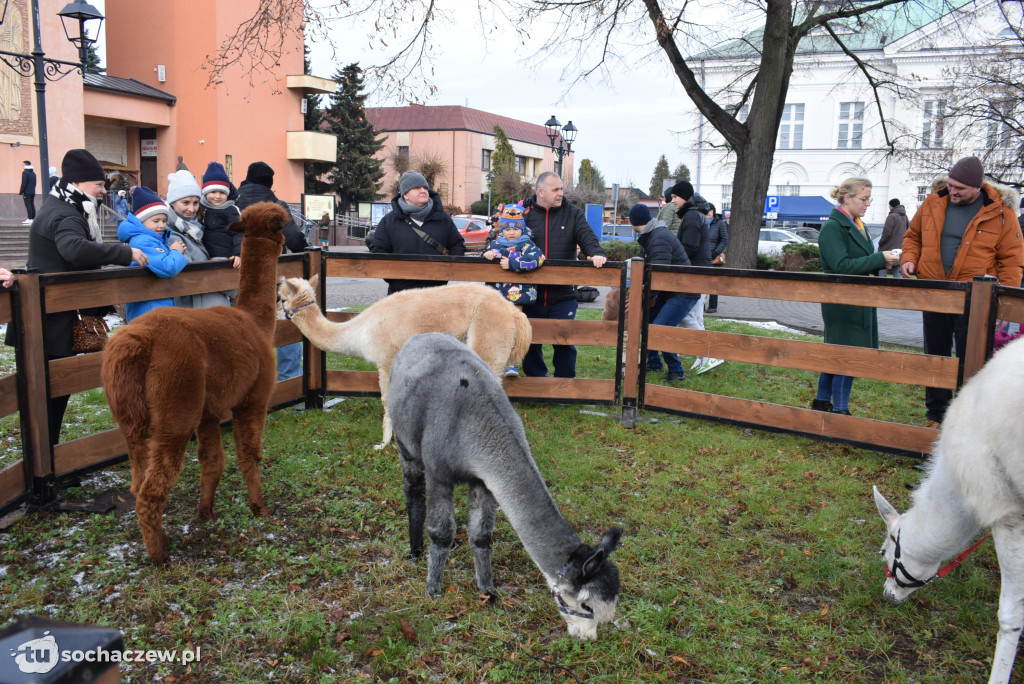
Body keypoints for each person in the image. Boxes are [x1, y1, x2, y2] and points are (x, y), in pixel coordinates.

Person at [4, 149, 148, 444]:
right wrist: (125, 252)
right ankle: (47, 466)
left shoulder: (61, 205)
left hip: (47, 318)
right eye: (98, 184)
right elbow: (75, 249)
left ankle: (48, 461)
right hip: (52, 321)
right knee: (50, 396)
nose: (103, 190)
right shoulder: (66, 213)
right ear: (80, 183)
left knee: (49, 395)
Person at [900, 155, 1024, 427]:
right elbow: (913, 236)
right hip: (936, 293)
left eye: (960, 188)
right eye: (951, 184)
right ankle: (935, 416)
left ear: (977, 187)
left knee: (973, 358)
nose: (952, 190)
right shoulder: (933, 202)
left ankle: (969, 420)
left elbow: (1012, 260)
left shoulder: (1001, 213)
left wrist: (1005, 303)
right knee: (936, 356)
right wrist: (908, 257)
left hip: (976, 299)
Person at [811, 178, 899, 415]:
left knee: (837, 353)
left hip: (856, 299)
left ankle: (821, 401)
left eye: (869, 198)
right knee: (844, 356)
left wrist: (883, 262)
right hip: (841, 302)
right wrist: (880, 259)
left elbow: (858, 260)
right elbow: (841, 265)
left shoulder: (858, 224)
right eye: (864, 198)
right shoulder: (833, 227)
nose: (868, 203)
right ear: (847, 198)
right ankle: (840, 410)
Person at [520, 171, 607, 378]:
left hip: (564, 294)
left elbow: (587, 236)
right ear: (541, 192)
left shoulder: (573, 213)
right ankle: (536, 384)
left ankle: (565, 385)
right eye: (556, 189)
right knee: (531, 342)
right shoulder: (523, 213)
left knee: (565, 341)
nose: (561, 193)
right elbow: (505, 237)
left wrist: (596, 253)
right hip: (530, 293)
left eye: (562, 189)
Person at [235, 161, 309, 380]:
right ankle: (289, 379)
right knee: (285, 319)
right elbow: (295, 239)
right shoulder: (276, 206)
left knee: (242, 328)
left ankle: (247, 380)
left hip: (237, 277)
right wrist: (305, 251)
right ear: (270, 182)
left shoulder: (233, 203)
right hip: (272, 275)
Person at [629, 203, 699, 383]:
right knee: (649, 321)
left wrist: (644, 295)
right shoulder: (653, 235)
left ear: (632, 221)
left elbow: (659, 275)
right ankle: (654, 362)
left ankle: (676, 370)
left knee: (659, 329)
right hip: (670, 291)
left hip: (683, 292)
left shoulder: (657, 237)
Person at [368, 170, 466, 294]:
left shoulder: (443, 218)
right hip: (401, 294)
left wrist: (445, 273)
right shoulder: (389, 221)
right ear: (405, 195)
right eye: (416, 188)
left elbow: (457, 246)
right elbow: (378, 252)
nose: (423, 190)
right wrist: (394, 279)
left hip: (437, 293)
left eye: (425, 187)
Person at [483, 205, 546, 376]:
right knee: (498, 328)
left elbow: (538, 259)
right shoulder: (496, 244)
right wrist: (487, 254)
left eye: (515, 229)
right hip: (497, 295)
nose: (511, 233)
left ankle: (512, 363)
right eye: (508, 229)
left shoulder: (527, 245)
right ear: (502, 229)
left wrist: (512, 264)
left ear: (522, 229)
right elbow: (488, 253)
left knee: (514, 328)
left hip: (519, 295)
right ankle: (498, 362)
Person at [669, 180, 723, 375]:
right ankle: (704, 357)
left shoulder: (691, 216)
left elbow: (689, 247)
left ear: (684, 196)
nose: (672, 201)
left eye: (675, 197)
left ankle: (708, 354)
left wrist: (673, 258)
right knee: (696, 317)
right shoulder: (697, 214)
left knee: (687, 316)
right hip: (700, 271)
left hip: (693, 273)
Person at [116, 186, 188, 321]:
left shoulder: (155, 239)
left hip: (155, 304)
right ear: (141, 221)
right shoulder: (143, 241)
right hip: (150, 309)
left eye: (164, 220)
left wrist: (175, 252)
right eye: (156, 221)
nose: (161, 225)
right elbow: (167, 268)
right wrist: (176, 252)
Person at [164, 169, 231, 310]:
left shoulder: (196, 227)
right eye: (185, 202)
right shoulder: (171, 234)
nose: (191, 209)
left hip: (209, 306)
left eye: (195, 203)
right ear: (172, 203)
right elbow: (191, 274)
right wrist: (232, 286)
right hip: (197, 309)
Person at [199, 161, 242, 269]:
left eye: (222, 193)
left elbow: (239, 234)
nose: (217, 196)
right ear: (205, 192)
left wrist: (238, 253)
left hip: (227, 257)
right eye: (213, 192)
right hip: (205, 257)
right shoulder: (200, 208)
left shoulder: (231, 210)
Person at [705, 202, 728, 312]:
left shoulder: (719, 223)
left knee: (714, 282)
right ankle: (701, 305)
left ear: (713, 211)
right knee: (702, 282)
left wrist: (715, 252)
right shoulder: (701, 223)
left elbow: (724, 240)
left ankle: (713, 306)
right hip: (703, 257)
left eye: (710, 210)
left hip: (715, 257)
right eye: (706, 210)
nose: (708, 213)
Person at [877, 198, 908, 277]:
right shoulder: (905, 217)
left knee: (883, 266)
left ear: (891, 206)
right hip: (900, 247)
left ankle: (880, 286)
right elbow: (908, 230)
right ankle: (898, 287)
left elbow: (886, 233)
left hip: (888, 247)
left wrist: (881, 243)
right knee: (897, 269)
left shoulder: (891, 216)